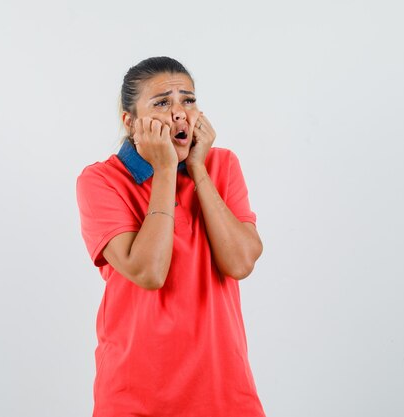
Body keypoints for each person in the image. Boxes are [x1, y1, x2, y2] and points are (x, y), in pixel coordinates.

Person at [76, 56, 266, 417]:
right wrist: (164, 169)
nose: (180, 112)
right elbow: (149, 272)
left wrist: (197, 168)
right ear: (130, 122)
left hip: (225, 394)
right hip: (135, 398)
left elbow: (240, 262)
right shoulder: (100, 181)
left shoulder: (222, 165)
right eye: (162, 102)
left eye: (188, 100)